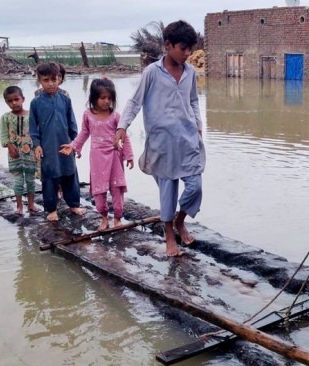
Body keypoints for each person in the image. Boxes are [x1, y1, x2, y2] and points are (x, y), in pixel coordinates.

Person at [114, 20, 204, 257]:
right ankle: (169, 235)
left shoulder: (190, 73)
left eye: (189, 49)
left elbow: (194, 100)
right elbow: (135, 101)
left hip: (187, 139)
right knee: (168, 189)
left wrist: (199, 125)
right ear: (167, 45)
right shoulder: (152, 73)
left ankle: (180, 220)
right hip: (161, 142)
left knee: (195, 186)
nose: (187, 54)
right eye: (182, 48)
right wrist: (122, 126)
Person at [62, 78, 134, 231]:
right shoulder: (88, 115)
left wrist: (129, 155)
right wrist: (74, 146)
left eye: (109, 98)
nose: (106, 101)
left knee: (117, 189)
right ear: (94, 98)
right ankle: (103, 217)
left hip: (114, 156)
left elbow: (124, 136)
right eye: (103, 98)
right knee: (99, 192)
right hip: (97, 159)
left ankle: (117, 219)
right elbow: (84, 133)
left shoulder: (115, 116)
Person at [29, 62, 86, 221]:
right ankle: (51, 209)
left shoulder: (65, 100)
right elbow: (33, 127)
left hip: (66, 145)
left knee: (70, 174)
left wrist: (76, 144)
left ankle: (74, 204)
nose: (51, 83)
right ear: (40, 80)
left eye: (54, 79)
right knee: (49, 177)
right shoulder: (36, 102)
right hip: (47, 147)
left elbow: (72, 123)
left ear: (59, 79)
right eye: (46, 80)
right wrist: (36, 145)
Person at [0, 86, 41, 215]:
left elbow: (37, 133)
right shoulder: (5, 117)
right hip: (14, 154)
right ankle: (19, 206)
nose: (14, 103)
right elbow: (4, 135)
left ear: (23, 99)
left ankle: (31, 204)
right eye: (10, 101)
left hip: (30, 152)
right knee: (17, 180)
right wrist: (9, 146)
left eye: (16, 99)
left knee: (30, 179)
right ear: (6, 103)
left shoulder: (31, 116)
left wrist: (37, 148)